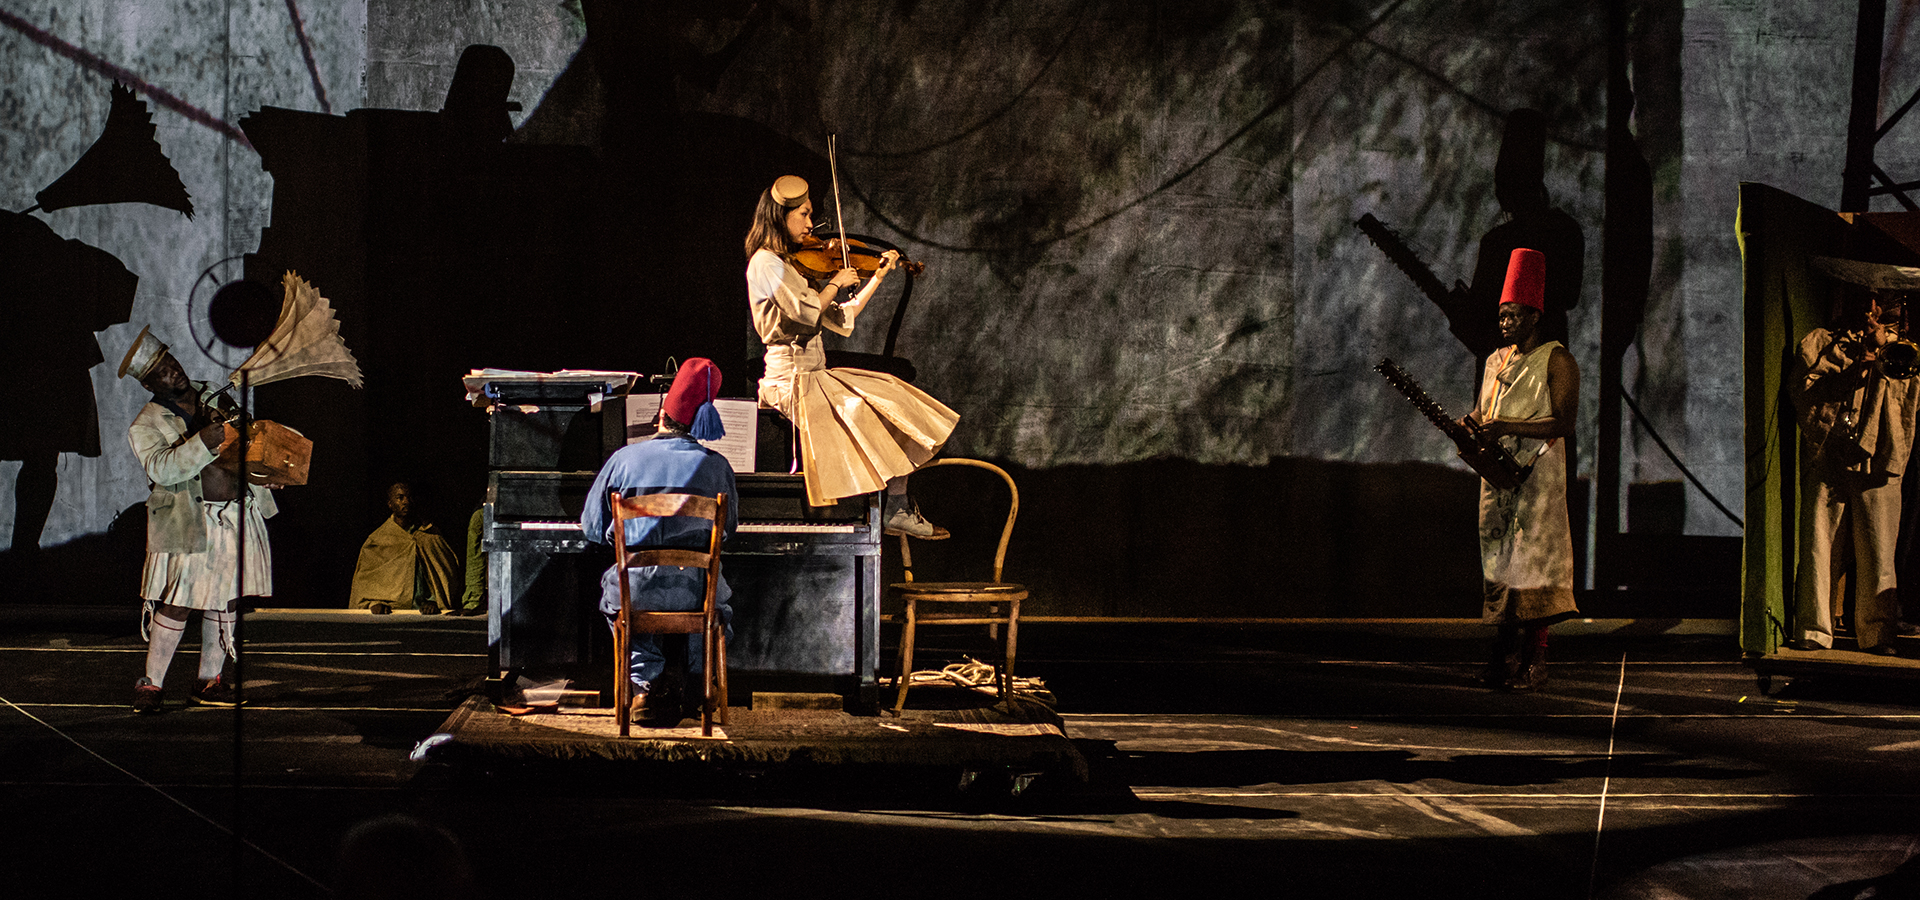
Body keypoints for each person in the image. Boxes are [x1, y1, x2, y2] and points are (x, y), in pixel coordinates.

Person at [744, 174, 959, 538]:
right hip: (789, 382)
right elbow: (805, 312)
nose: (811, 225)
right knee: (866, 410)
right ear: (781, 217)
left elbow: (839, 316)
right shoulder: (765, 264)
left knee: (895, 399)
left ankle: (897, 506)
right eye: (804, 215)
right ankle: (862, 512)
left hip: (816, 375)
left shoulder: (792, 266)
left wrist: (875, 277)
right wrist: (834, 282)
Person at [119, 326, 275, 713]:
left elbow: (249, 443)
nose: (174, 372)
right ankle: (151, 684)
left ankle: (209, 681)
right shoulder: (146, 424)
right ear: (149, 384)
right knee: (178, 601)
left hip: (236, 513)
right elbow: (163, 469)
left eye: (171, 362)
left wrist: (266, 472)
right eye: (161, 372)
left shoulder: (217, 397)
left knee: (225, 601)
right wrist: (204, 439)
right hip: (191, 519)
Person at [580, 358, 738, 723]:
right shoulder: (717, 466)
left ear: (661, 416)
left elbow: (591, 528)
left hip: (636, 588)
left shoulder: (624, 459)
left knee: (621, 593)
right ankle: (701, 686)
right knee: (718, 607)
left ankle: (645, 687)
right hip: (695, 589)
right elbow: (727, 531)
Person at [1460, 248, 1580, 691]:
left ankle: (1536, 660)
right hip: (1497, 478)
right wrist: (1465, 428)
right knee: (1500, 562)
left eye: (1513, 315)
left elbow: (1564, 423)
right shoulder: (1495, 361)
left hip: (1538, 476)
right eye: (1501, 315)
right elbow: (1480, 413)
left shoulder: (1557, 359)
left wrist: (1504, 426)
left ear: (1534, 314)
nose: (1505, 322)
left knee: (1534, 564)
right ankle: (1502, 656)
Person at [1786, 278, 1920, 655]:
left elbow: (1908, 403)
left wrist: (1880, 362)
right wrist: (1853, 366)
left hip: (1879, 461)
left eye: (1881, 301)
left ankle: (1878, 633)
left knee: (1879, 550)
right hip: (1829, 455)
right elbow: (1803, 391)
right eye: (1866, 298)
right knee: (1819, 545)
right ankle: (1814, 630)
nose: (1872, 308)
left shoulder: (1903, 349)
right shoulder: (1820, 342)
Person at [348, 483, 464, 615]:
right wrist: (374, 603)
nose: (406, 502)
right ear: (390, 504)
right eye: (400, 498)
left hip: (426, 614)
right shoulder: (377, 540)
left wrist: (434, 600)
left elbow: (447, 576)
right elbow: (363, 586)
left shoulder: (430, 536)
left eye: (410, 497)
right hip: (392, 614)